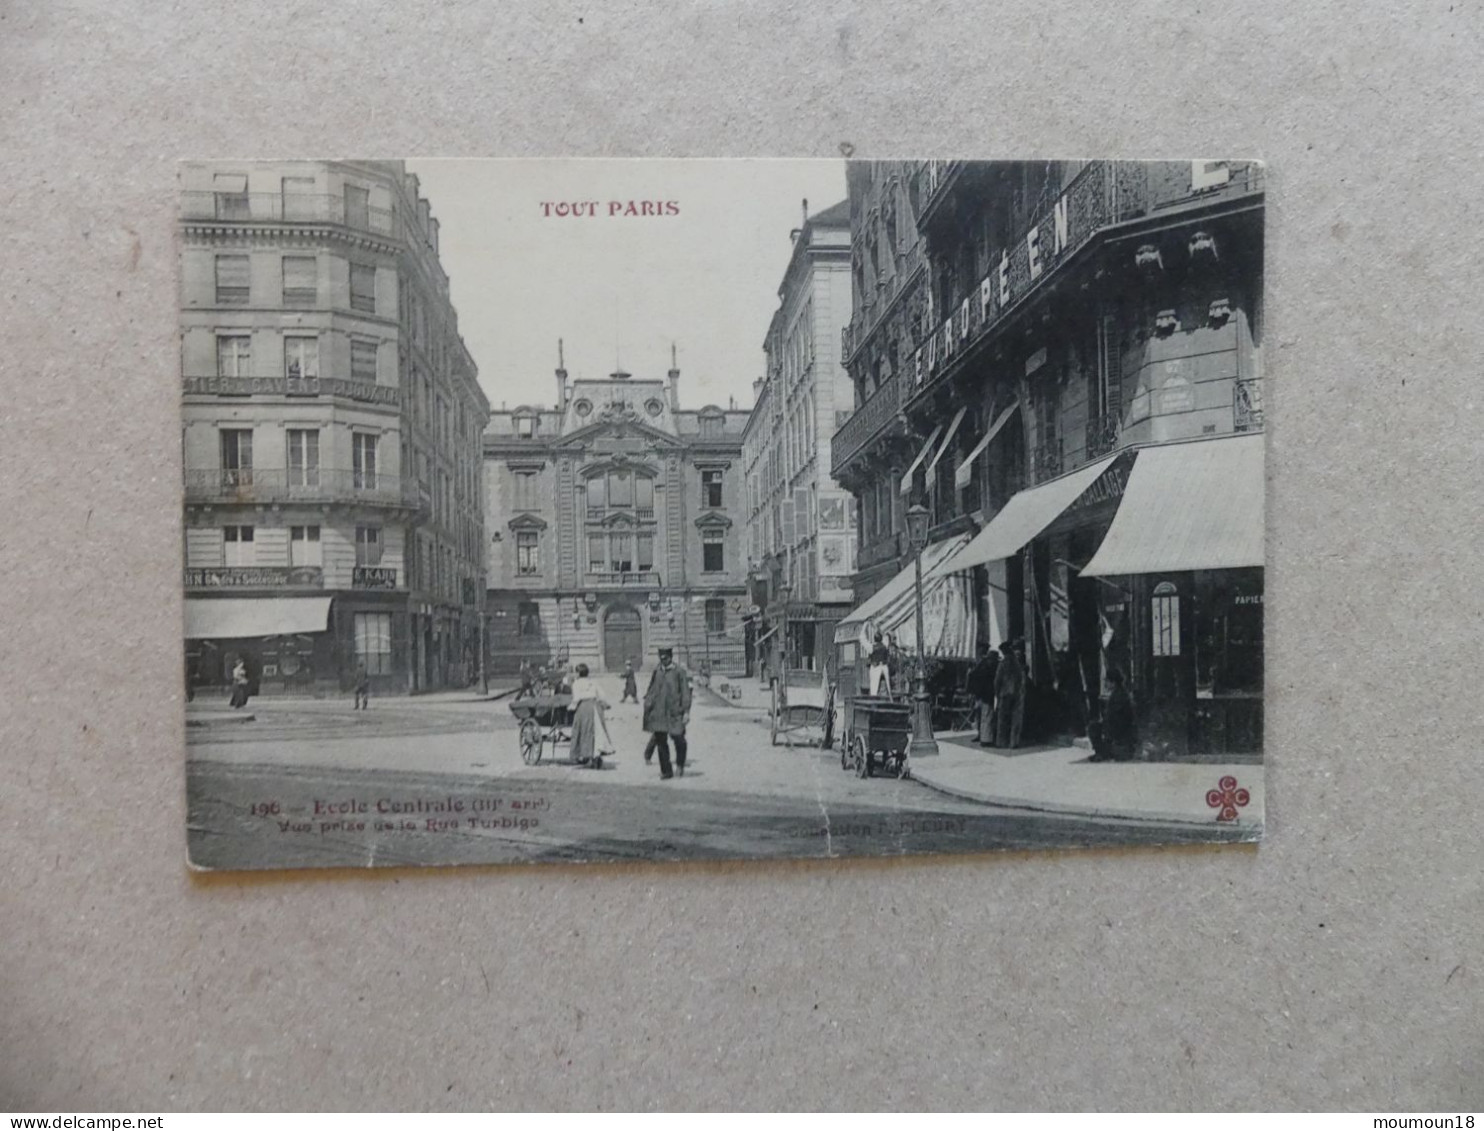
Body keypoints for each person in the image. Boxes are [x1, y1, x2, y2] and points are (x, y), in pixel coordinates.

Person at [643, 646, 691, 779]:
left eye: (665, 658)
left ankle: (680, 764)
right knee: (660, 741)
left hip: (675, 712)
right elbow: (651, 689)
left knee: (679, 739)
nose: (663, 661)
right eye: (661, 658)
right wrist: (648, 703)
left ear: (670, 657)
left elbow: (685, 692)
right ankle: (666, 771)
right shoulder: (657, 671)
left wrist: (686, 711)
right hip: (659, 712)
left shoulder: (679, 672)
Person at [568, 663, 610, 765]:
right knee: (597, 731)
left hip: (584, 708)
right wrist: (604, 704)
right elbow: (602, 695)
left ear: (578, 673)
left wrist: (571, 707)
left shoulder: (576, 684)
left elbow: (576, 698)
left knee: (583, 730)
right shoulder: (593, 682)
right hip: (595, 707)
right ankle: (596, 754)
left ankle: (585, 753)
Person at [1101, 668, 1138, 762]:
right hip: (1123, 730)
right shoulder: (1120, 692)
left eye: (1107, 681)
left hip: (1121, 732)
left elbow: (1114, 717)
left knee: (1094, 728)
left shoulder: (1118, 696)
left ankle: (1106, 753)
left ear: (1113, 682)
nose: (1105, 684)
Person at [993, 640, 1024, 749]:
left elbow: (997, 680)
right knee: (1015, 718)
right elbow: (1021, 678)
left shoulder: (1002, 664)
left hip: (1004, 693)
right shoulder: (1017, 663)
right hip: (1016, 693)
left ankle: (1001, 742)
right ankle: (1013, 742)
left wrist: (997, 693)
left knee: (1002, 718)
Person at [968, 643, 1000, 746]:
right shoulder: (990, 665)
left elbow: (972, 675)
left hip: (980, 695)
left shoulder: (981, 664)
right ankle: (986, 739)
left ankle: (982, 736)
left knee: (982, 716)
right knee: (987, 716)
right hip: (986, 695)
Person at [867, 632, 890, 696]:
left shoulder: (872, 647)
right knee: (884, 686)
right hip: (883, 668)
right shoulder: (885, 647)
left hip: (875, 668)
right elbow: (887, 658)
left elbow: (869, 659)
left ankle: (874, 699)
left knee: (874, 687)